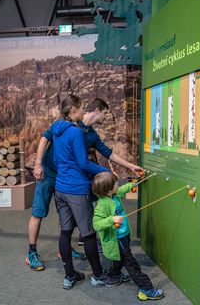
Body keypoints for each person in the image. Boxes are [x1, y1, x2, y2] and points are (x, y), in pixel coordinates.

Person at [26, 97, 143, 271]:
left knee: (66, 217)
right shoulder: (65, 124)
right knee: (38, 211)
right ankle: (32, 252)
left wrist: (131, 166)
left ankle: (63, 250)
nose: (106, 117)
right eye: (105, 113)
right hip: (48, 173)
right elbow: (45, 139)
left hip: (67, 179)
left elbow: (109, 153)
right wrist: (38, 164)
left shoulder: (91, 134)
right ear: (97, 111)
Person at [53, 95, 122, 289]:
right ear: (73, 110)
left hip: (60, 189)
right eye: (81, 108)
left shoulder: (57, 129)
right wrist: (106, 172)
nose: (84, 112)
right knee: (89, 234)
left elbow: (58, 161)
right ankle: (98, 276)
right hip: (77, 190)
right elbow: (83, 163)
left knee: (65, 232)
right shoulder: (75, 133)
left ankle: (70, 276)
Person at [92, 172, 165, 301]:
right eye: (115, 183)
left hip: (123, 236)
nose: (117, 184)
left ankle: (114, 275)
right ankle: (146, 289)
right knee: (131, 263)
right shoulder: (102, 205)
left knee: (120, 257)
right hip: (117, 239)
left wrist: (133, 184)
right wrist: (111, 219)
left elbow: (122, 189)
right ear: (108, 190)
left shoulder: (114, 194)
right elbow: (96, 224)